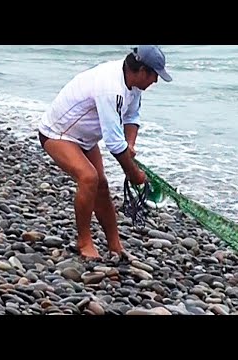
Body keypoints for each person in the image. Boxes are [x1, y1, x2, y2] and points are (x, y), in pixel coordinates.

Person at [37, 45, 172, 260]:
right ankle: (84, 242)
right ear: (142, 71)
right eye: (155, 75)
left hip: (86, 138)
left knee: (102, 184)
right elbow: (113, 143)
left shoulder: (133, 84)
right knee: (89, 177)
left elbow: (131, 117)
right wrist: (134, 174)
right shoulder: (111, 88)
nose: (155, 82)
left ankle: (115, 245)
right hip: (58, 133)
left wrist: (131, 143)